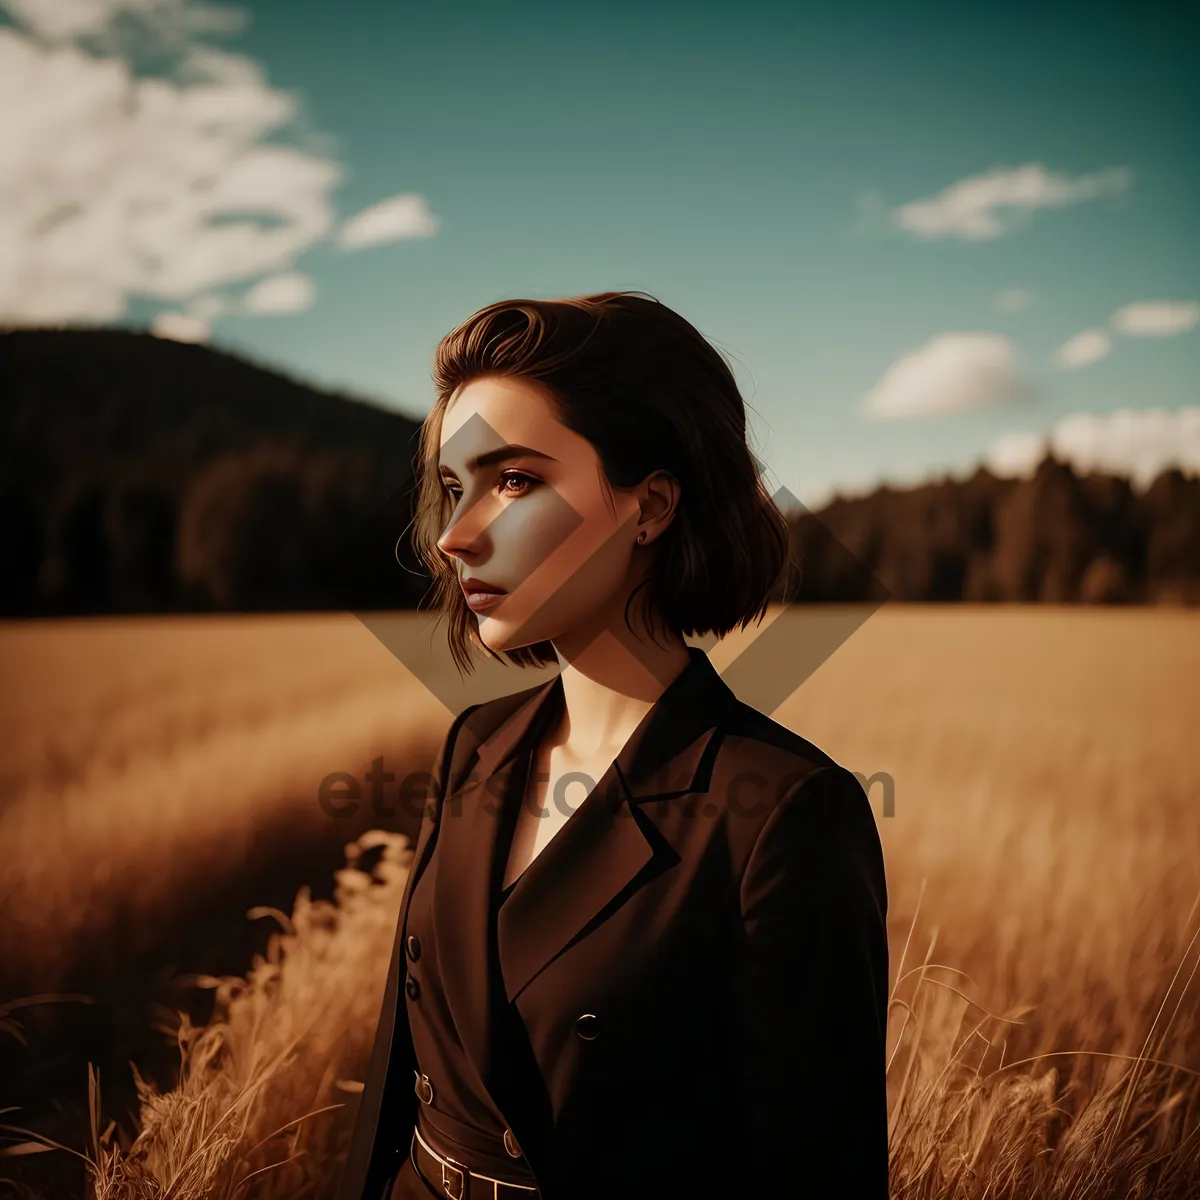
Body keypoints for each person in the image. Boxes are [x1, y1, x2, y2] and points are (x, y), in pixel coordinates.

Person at [335, 292, 889, 1200]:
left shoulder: (784, 810)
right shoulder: (476, 741)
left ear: (652, 505)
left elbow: (819, 1168)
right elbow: (405, 1066)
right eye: (452, 486)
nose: (454, 536)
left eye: (514, 480)